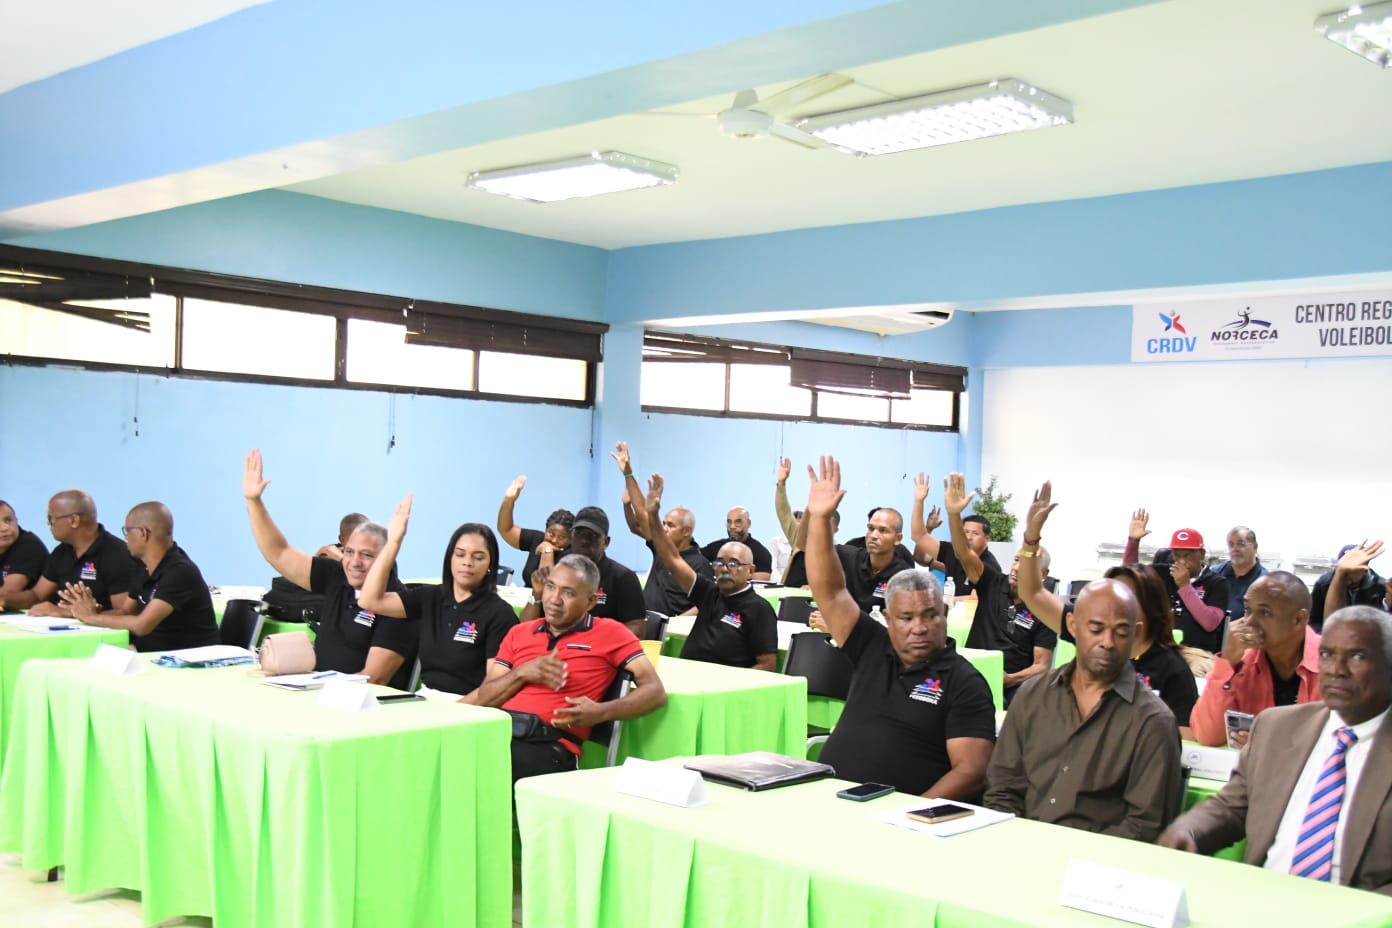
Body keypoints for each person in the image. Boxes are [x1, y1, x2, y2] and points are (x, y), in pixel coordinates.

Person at [1159, 606, 1392, 893]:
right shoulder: (1276, 728)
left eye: (1358, 656)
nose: (1336, 670)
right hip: (1263, 900)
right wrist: (1189, 829)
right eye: (1327, 654)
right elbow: (1232, 806)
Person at [803, 455, 996, 799]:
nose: (919, 627)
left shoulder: (963, 681)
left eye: (930, 616)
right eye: (907, 619)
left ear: (945, 615)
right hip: (832, 798)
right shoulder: (871, 645)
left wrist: (910, 814)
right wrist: (819, 519)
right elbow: (830, 590)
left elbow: (972, 771)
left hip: (901, 816)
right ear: (889, 620)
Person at [984, 577, 1184, 842]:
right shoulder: (1032, 696)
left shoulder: (1153, 722)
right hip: (1021, 850)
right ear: (1072, 626)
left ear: (1136, 634)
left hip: (1101, 870)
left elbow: (1145, 825)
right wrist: (1019, 843)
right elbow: (1002, 788)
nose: (1108, 642)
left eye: (1121, 632)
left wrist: (1075, 857)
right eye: (1096, 628)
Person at [462, 553, 667, 781]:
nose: (554, 599)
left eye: (568, 592)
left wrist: (601, 712)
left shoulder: (612, 632)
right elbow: (485, 695)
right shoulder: (520, 632)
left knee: (473, 766)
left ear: (590, 601)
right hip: (498, 730)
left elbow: (655, 692)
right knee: (443, 751)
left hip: (550, 746)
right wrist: (522, 673)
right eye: (550, 587)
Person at [1016, 482, 1198, 736]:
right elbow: (1032, 592)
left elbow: (1187, 733)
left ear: (1149, 609)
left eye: (1126, 600)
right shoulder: (1093, 637)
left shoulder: (1171, 668)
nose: (1114, 610)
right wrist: (1031, 537)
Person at [242, 449, 416, 687]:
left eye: (366, 555)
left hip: (363, 706)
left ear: (387, 557)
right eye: (349, 552)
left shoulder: (397, 604)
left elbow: (374, 678)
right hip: (320, 690)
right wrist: (254, 502)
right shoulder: (337, 576)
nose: (354, 562)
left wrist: (315, 687)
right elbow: (279, 552)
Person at [357, 495, 517, 696]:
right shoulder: (431, 597)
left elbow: (493, 687)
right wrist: (394, 542)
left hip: (470, 708)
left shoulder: (499, 613)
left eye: (478, 557)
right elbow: (369, 600)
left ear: (490, 566)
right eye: (460, 554)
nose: (467, 562)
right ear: (449, 558)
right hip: (427, 699)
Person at [637, 470, 777, 670]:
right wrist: (652, 514)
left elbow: (767, 665)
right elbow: (672, 559)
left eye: (733, 563)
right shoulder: (709, 593)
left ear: (750, 570)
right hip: (688, 673)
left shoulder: (759, 609)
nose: (724, 569)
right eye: (719, 563)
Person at [942, 473, 1057, 705]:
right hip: (971, 674)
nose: (1017, 568)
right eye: (1015, 560)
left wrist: (1009, 679)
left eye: (1026, 562)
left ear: (1043, 575)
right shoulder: (992, 581)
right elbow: (964, 553)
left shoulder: (1045, 610)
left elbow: (1041, 665)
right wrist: (954, 514)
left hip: (1012, 684)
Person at [58, 501, 219, 651]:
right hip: (148, 653)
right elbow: (125, 612)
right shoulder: (143, 567)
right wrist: (84, 611)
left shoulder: (179, 571)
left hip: (185, 659)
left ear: (143, 533)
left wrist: (91, 617)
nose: (125, 538)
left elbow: (142, 625)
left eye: (127, 531)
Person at [1190, 570, 1323, 747]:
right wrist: (1226, 664)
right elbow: (1208, 735)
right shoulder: (1243, 661)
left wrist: (1270, 745)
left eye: (1265, 613)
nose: (1249, 622)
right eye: (1248, 610)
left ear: (1299, 619)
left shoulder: (1332, 664)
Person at [613, 442, 712, 616]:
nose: (664, 528)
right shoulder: (661, 549)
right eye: (664, 523)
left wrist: (676, 623)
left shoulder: (700, 564)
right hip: (646, 622)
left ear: (686, 531)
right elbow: (643, 515)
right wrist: (628, 473)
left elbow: (707, 602)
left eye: (671, 525)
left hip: (673, 629)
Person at [4, 490, 138, 617]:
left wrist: (68, 614)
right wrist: (4, 600)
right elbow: (37, 595)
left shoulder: (116, 555)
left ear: (74, 521)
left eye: (52, 518)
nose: (49, 524)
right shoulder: (62, 552)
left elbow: (125, 613)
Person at [520, 503, 646, 637]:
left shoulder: (622, 577)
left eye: (593, 536)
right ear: (571, 537)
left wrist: (598, 642)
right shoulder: (559, 571)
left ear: (606, 542)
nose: (584, 541)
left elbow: (637, 629)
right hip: (553, 647)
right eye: (579, 534)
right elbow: (526, 626)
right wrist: (537, 595)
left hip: (598, 650)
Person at [1126, 513, 1228, 654]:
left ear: (1202, 554)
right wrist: (1133, 541)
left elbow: (1210, 623)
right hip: (1160, 649)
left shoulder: (1217, 583)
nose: (1181, 562)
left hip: (1195, 652)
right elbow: (1129, 577)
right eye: (1177, 555)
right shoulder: (1164, 573)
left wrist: (1184, 586)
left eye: (1187, 555)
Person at [910, 472, 1000, 596]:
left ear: (987, 538)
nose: (968, 537)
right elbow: (919, 536)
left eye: (975, 534)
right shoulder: (952, 551)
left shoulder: (990, 566)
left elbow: (976, 600)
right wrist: (919, 501)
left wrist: (943, 603)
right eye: (965, 532)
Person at [496, 475, 573, 586]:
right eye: (551, 534)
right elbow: (506, 530)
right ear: (545, 530)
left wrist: (547, 550)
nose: (554, 540)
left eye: (562, 537)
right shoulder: (538, 538)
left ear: (570, 539)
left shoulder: (572, 555)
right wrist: (509, 501)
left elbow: (545, 586)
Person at [1313, 540, 1390, 633]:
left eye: (1351, 572)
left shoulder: (1380, 587)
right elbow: (1313, 619)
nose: (1345, 576)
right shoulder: (1323, 584)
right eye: (1342, 570)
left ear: (1364, 570)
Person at [1211, 525, 1267, 620]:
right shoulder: (1215, 573)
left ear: (1255, 547)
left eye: (1241, 544)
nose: (1235, 549)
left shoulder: (1264, 581)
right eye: (1231, 545)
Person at [701, 506, 773, 581]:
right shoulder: (717, 547)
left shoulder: (761, 553)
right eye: (729, 522)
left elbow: (758, 587)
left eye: (738, 522)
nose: (732, 526)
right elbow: (695, 559)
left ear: (748, 523)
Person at [0, 500, 49, 607]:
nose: (4, 528)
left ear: (16, 521)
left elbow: (8, 593)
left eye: (8, 520)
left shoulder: (29, 545)